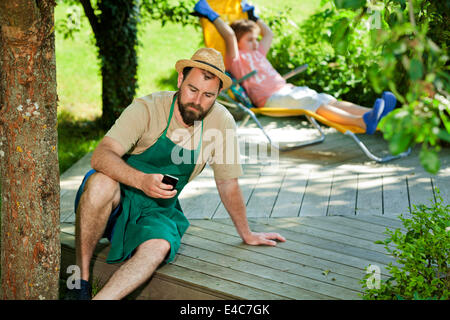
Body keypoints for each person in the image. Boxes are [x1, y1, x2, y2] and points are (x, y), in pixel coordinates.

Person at [67, 47, 286, 300]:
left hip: (158, 209)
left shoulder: (221, 123)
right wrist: (140, 180)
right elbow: (101, 156)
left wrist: (246, 233)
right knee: (101, 182)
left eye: (208, 95)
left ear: (217, 94)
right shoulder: (148, 108)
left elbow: (227, 182)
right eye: (192, 90)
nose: (198, 101)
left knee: (159, 246)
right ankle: (79, 285)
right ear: (181, 80)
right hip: (113, 201)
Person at [193, 0, 397, 134]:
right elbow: (228, 35)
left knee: (327, 99)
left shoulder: (258, 53)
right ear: (238, 42)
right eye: (250, 40)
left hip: (287, 91)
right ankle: (362, 122)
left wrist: (253, 16)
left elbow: (269, 34)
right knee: (315, 103)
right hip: (271, 99)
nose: (256, 43)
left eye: (256, 39)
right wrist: (210, 15)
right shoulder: (236, 58)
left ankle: (375, 113)